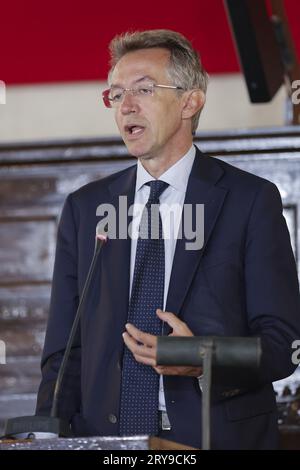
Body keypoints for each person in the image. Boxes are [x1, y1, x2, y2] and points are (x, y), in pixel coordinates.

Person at [36, 29, 300, 449]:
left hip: (214, 438)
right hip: (109, 442)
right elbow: (64, 352)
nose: (127, 106)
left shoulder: (250, 201)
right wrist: (48, 434)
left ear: (190, 101)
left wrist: (201, 359)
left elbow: (283, 343)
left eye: (143, 89)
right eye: (116, 94)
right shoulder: (86, 210)